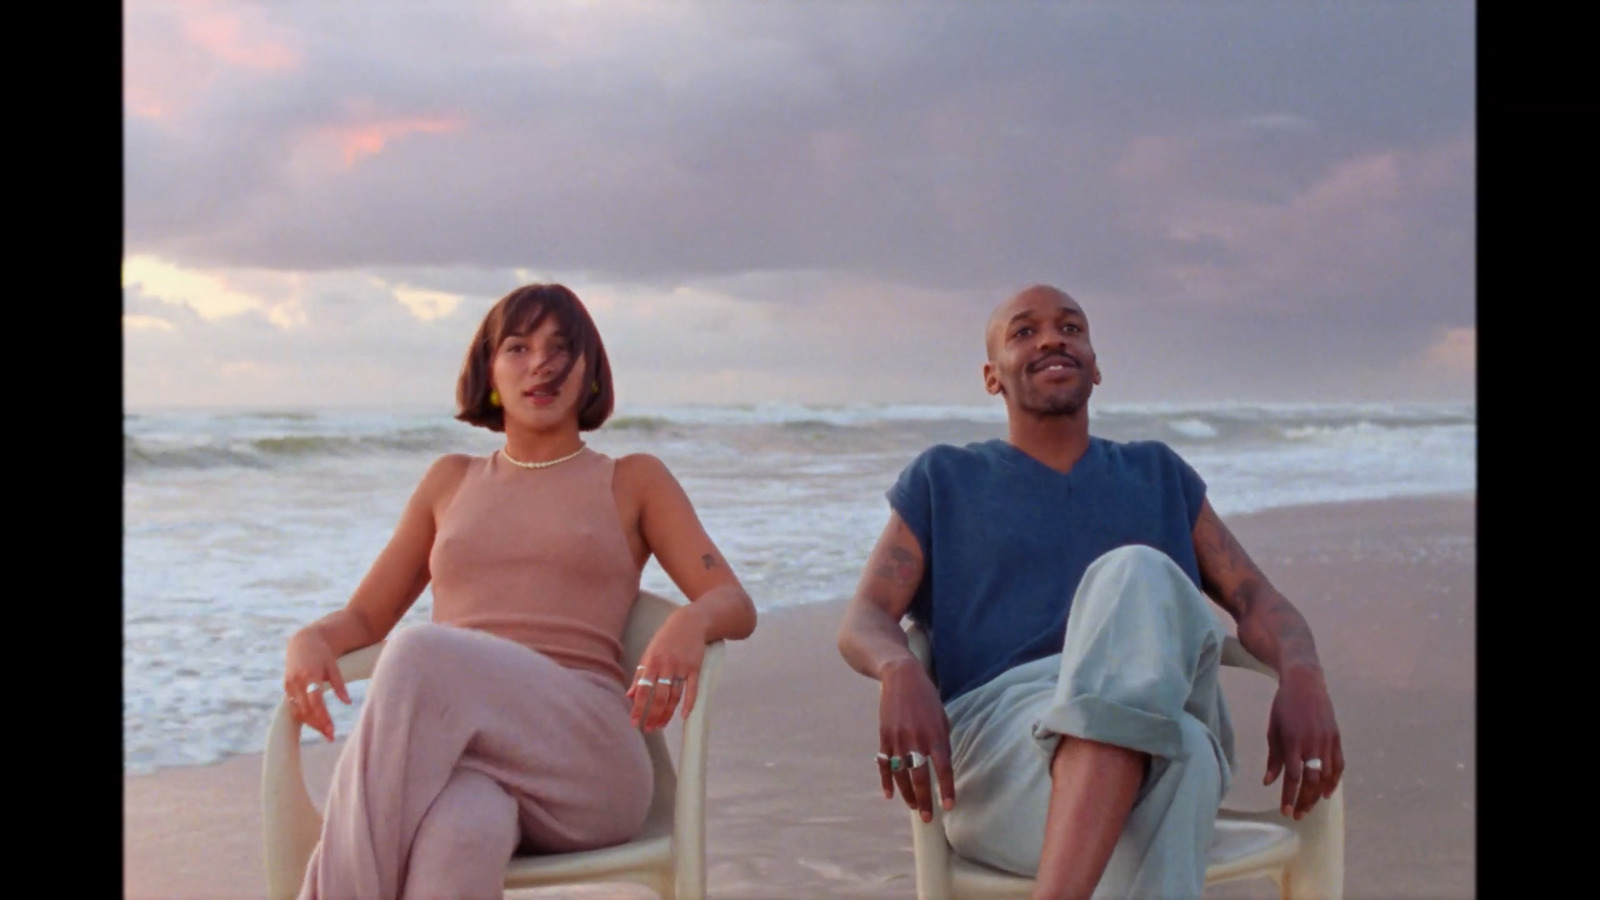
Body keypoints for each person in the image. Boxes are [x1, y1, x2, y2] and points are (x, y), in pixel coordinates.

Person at [836, 285, 1343, 900]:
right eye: (1024, 332)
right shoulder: (946, 479)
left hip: (1164, 717)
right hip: (1008, 759)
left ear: (1096, 364)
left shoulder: (1157, 474)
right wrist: (898, 670)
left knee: (1135, 575)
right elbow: (866, 615)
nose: (1052, 338)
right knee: (1184, 752)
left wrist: (1303, 674)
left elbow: (1256, 600)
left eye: (1070, 327)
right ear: (991, 376)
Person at [282, 283, 758, 900]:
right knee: (458, 833)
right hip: (471, 764)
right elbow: (367, 615)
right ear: (488, 374)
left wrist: (687, 627)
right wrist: (309, 638)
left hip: (587, 764)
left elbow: (733, 603)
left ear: (589, 374)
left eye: (562, 348)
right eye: (517, 347)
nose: (541, 363)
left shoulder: (631, 479)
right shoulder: (449, 481)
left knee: (421, 652)